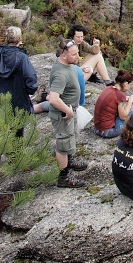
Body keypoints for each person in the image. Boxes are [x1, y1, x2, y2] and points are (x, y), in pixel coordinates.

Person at [48, 38, 88, 188]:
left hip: (70, 109)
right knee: (63, 145)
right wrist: (68, 111)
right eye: (74, 54)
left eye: (78, 53)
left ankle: (70, 160)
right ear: (64, 55)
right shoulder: (60, 73)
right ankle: (64, 176)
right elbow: (53, 98)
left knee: (70, 138)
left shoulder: (67, 64)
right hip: (63, 115)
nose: (78, 56)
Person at [0, 26, 37, 114]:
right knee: (17, 127)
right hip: (18, 102)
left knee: (1, 127)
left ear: (6, 38)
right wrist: (30, 90)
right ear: (19, 38)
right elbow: (30, 77)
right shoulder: (22, 57)